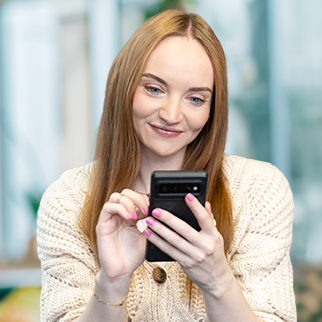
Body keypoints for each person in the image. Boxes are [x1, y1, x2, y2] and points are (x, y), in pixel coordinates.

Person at [37, 10, 296, 322]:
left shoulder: (259, 191)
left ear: (213, 109)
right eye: (154, 89)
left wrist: (217, 280)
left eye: (196, 99)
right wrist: (112, 282)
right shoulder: (68, 200)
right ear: (125, 88)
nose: (172, 115)